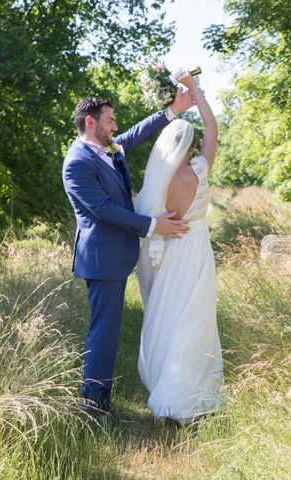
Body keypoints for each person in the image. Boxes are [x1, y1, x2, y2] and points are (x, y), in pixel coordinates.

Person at [62, 89, 194, 418]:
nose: (115, 125)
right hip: (101, 258)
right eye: (110, 120)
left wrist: (172, 110)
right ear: (91, 122)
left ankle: (99, 400)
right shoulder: (77, 162)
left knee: (108, 329)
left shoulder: (109, 148)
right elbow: (103, 210)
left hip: (117, 256)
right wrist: (152, 226)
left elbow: (136, 133)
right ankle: (93, 405)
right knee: (103, 332)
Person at [135, 71, 223, 422]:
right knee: (196, 317)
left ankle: (165, 387)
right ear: (189, 147)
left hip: (170, 251)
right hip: (197, 249)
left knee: (167, 315)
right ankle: (190, 391)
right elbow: (213, 129)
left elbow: (148, 221)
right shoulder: (199, 170)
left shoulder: (157, 184)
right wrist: (195, 92)